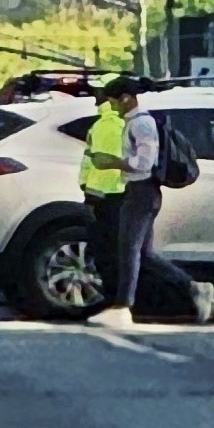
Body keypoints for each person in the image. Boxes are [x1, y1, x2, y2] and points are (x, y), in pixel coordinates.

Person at [95, 79, 166, 329]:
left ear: (126, 98)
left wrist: (111, 163)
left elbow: (145, 163)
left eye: (113, 101)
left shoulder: (142, 123)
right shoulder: (133, 123)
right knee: (143, 254)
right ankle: (193, 288)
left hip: (143, 192)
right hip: (137, 191)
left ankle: (122, 307)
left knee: (128, 249)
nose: (112, 107)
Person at [77, 79, 132, 312]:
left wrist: (90, 192)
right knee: (116, 254)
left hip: (107, 198)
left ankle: (114, 303)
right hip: (111, 197)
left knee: (110, 255)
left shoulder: (106, 125)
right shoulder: (113, 123)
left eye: (98, 91)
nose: (95, 96)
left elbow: (101, 165)